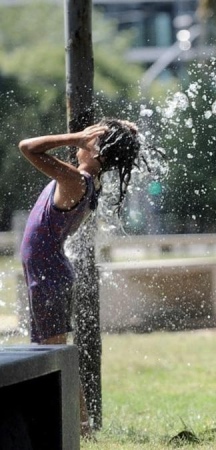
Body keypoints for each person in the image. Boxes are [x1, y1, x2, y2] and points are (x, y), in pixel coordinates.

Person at [19, 118, 142, 434]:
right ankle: (81, 427)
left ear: (99, 152)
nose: (81, 143)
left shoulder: (75, 181)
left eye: (90, 140)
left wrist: (74, 136)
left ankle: (79, 429)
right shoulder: (85, 182)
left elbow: (27, 147)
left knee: (54, 356)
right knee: (53, 353)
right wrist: (116, 132)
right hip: (50, 274)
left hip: (48, 276)